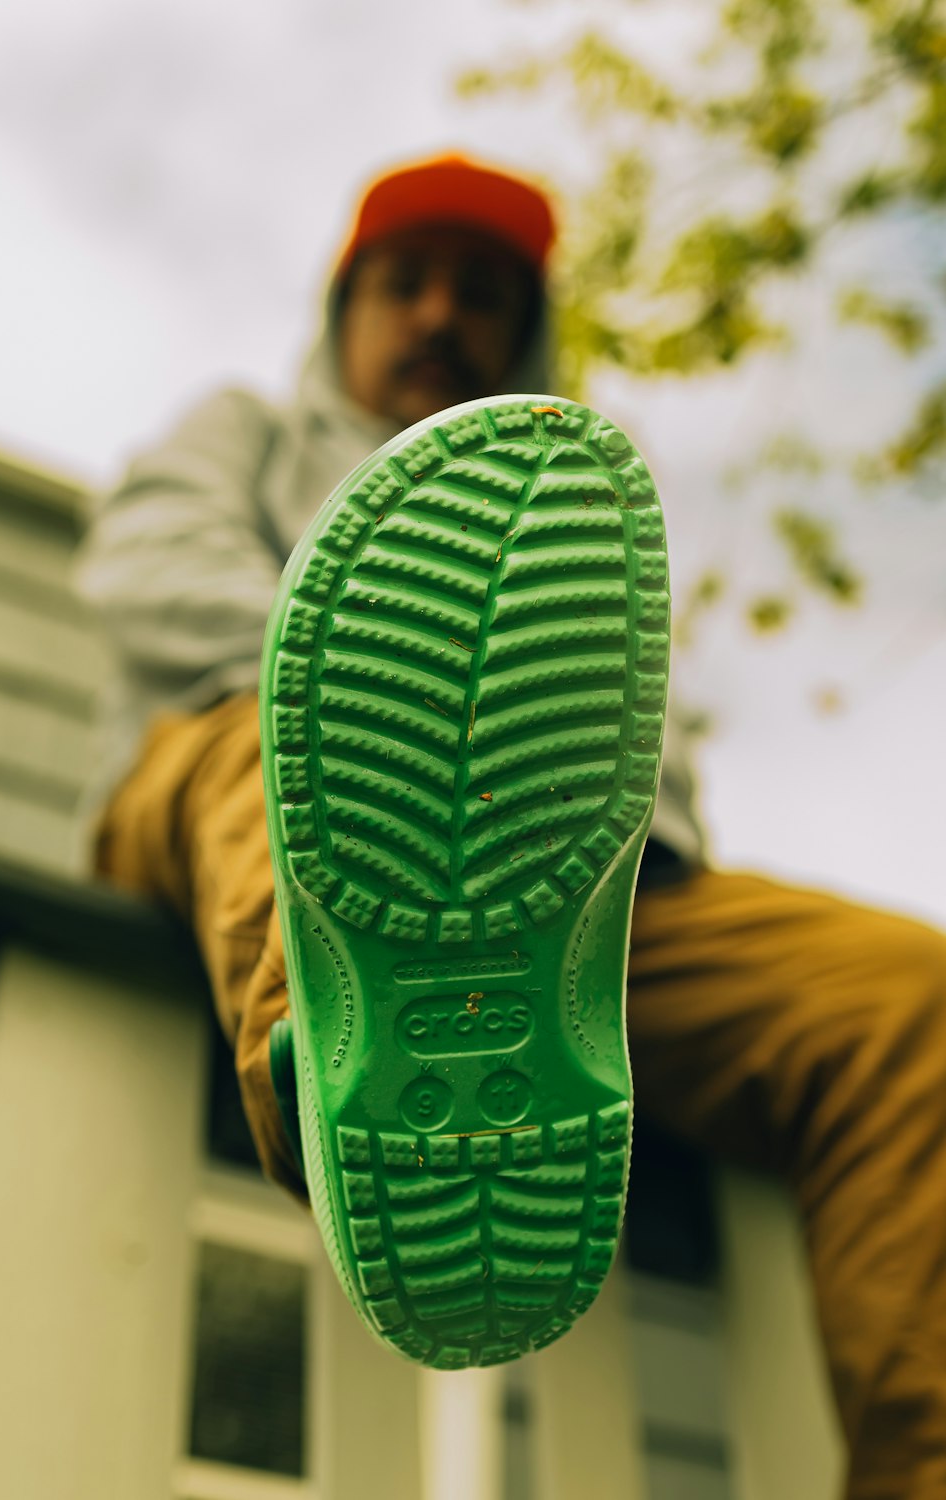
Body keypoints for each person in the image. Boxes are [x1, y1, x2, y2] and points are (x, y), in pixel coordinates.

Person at [77, 152, 946, 1496]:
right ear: (344, 311)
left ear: (523, 331)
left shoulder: (584, 510)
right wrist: (398, 681)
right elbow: (151, 577)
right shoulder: (246, 429)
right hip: (234, 758)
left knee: (908, 998)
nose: (440, 316)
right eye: (406, 283)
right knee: (294, 750)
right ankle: (337, 1061)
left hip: (591, 900)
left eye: (481, 294)